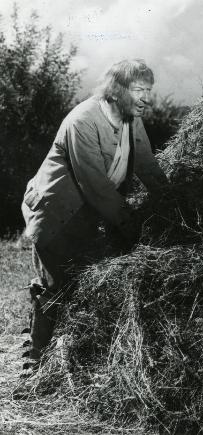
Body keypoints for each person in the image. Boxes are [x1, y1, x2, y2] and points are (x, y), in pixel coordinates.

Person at [21, 59, 168, 361]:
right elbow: (96, 185)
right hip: (56, 212)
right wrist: (133, 225)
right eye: (138, 90)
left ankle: (56, 348)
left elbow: (146, 164)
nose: (146, 98)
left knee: (78, 282)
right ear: (115, 91)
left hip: (89, 211)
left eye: (148, 90)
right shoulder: (82, 121)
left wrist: (172, 201)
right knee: (56, 286)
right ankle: (35, 359)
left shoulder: (132, 117)